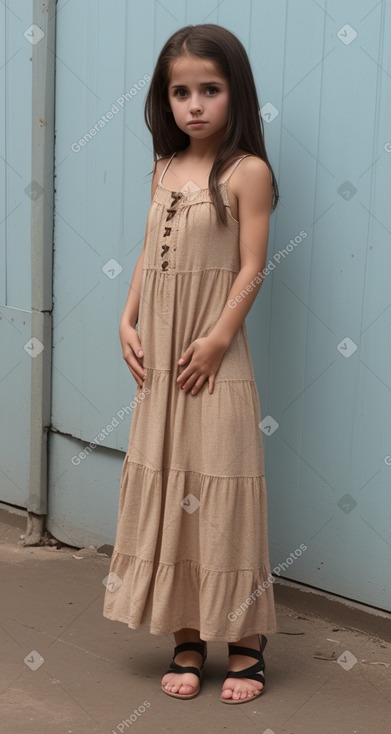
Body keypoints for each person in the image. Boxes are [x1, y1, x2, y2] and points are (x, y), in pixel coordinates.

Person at [103, 23, 279, 705]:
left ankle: (243, 640)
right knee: (169, 488)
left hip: (213, 355)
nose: (195, 104)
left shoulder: (246, 172)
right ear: (165, 99)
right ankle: (185, 634)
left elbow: (254, 268)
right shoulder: (163, 167)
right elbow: (149, 252)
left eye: (209, 88)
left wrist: (215, 339)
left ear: (235, 92)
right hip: (161, 357)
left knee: (222, 488)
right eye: (181, 91)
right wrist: (126, 317)